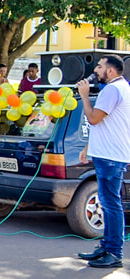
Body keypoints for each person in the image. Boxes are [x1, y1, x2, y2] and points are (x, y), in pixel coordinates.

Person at [76, 56, 130, 268]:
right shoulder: (122, 87)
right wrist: (89, 146)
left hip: (110, 157)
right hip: (109, 154)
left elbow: (94, 118)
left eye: (99, 66)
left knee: (111, 204)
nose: (95, 70)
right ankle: (107, 247)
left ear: (110, 71)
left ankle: (114, 252)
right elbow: (108, 122)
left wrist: (84, 96)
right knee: (108, 204)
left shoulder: (112, 90)